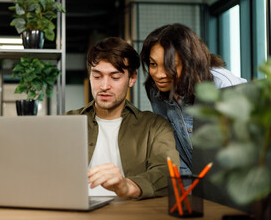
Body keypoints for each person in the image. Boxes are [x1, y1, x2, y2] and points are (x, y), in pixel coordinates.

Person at [66, 37, 180, 199]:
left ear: (132, 79)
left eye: (115, 77)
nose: (104, 86)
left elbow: (167, 171)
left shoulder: (154, 126)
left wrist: (128, 186)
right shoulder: (67, 122)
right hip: (74, 209)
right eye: (97, 76)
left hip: (130, 211)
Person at [140, 23, 247, 176]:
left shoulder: (221, 84)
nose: (159, 74)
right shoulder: (156, 91)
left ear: (189, 62)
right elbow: (171, 144)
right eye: (153, 64)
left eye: (169, 66)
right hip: (197, 183)